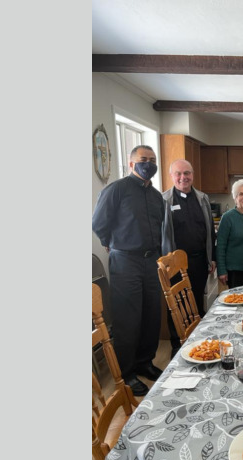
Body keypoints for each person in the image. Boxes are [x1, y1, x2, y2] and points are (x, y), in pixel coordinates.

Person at [91, 145, 169, 397]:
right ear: (131, 163)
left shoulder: (156, 196)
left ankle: (145, 361)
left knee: (150, 314)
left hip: (150, 260)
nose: (149, 164)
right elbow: (99, 223)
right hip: (126, 260)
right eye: (143, 159)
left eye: (152, 160)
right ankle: (126, 373)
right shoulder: (116, 190)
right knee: (128, 319)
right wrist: (112, 243)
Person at [162, 159, 216, 357]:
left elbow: (210, 230)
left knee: (196, 301)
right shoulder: (165, 200)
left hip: (199, 260)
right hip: (175, 265)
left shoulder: (202, 198)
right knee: (176, 304)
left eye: (187, 173)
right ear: (172, 176)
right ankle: (177, 344)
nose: (183, 177)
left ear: (192, 175)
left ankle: (197, 341)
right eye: (178, 173)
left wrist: (212, 258)